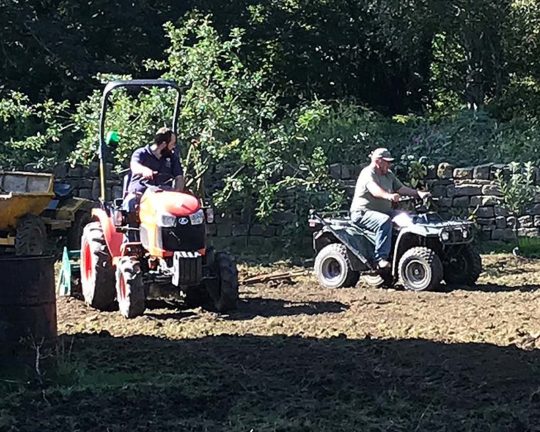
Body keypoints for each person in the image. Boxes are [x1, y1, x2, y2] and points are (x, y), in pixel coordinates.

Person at [350, 147, 430, 269]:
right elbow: (374, 190)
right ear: (378, 161)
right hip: (363, 213)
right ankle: (380, 259)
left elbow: (401, 188)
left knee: (409, 219)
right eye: (387, 161)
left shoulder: (388, 175)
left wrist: (419, 193)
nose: (389, 164)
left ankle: (404, 251)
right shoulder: (368, 173)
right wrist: (389, 196)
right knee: (384, 221)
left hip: (384, 211)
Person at [123, 127, 184, 239]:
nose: (174, 147)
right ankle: (130, 241)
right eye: (172, 144)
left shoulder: (172, 158)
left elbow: (179, 177)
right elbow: (135, 166)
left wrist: (178, 193)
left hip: (164, 194)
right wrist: (144, 170)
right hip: (141, 193)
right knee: (130, 202)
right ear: (164, 144)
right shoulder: (141, 153)